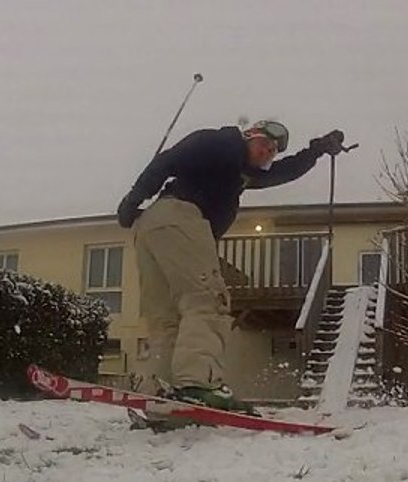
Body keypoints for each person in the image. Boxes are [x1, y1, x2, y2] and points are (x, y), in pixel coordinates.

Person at [117, 120, 344, 415]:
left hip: (153, 227)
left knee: (168, 317)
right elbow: (167, 161)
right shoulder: (221, 144)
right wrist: (134, 197)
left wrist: (317, 151)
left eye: (273, 151)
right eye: (264, 144)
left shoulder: (239, 172)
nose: (268, 153)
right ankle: (197, 384)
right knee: (208, 302)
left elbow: (283, 172)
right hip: (181, 218)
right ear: (249, 135)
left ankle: (158, 391)